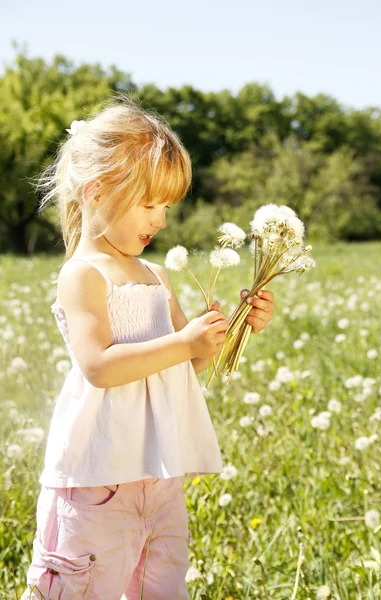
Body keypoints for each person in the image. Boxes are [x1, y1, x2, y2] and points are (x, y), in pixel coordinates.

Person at [22, 93, 275, 600]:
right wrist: (183, 341)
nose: (160, 220)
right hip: (97, 476)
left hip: (158, 472)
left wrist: (237, 328)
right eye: (149, 203)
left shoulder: (158, 275)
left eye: (166, 207)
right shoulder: (82, 276)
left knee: (159, 583)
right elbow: (98, 366)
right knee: (83, 585)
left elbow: (192, 363)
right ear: (96, 191)